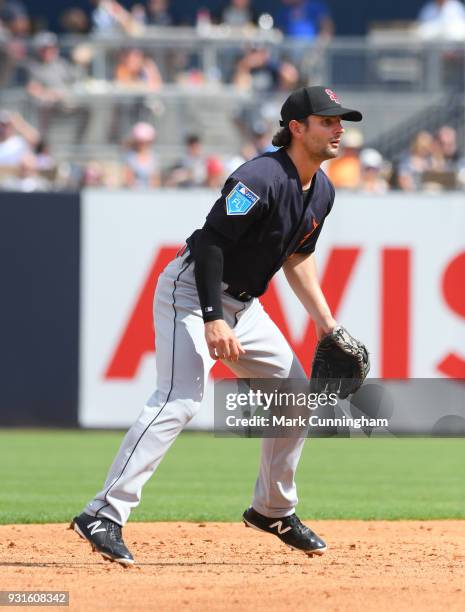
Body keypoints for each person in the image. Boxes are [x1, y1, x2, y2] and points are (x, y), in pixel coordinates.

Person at [71, 85, 363, 565]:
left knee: (293, 394)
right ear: (296, 127)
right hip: (192, 293)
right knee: (180, 398)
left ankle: (272, 509)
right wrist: (210, 318)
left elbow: (298, 256)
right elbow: (210, 244)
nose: (339, 129)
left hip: (244, 308)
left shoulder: (322, 191)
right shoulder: (259, 178)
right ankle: (103, 512)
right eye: (328, 120)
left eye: (341, 121)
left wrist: (327, 325)